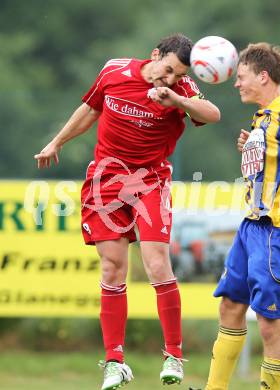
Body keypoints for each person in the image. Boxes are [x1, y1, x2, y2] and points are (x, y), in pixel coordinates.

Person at [34, 33, 221, 390]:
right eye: (166, 70)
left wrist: (178, 99)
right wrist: (56, 142)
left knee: (156, 264)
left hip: (150, 181)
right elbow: (90, 109)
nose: (168, 78)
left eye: (177, 74)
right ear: (154, 55)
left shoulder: (181, 88)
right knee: (112, 268)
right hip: (106, 181)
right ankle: (115, 362)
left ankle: (173, 355)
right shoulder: (115, 71)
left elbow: (212, 114)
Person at [204, 43, 280, 390]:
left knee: (269, 322)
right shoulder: (262, 117)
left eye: (241, 77)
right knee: (230, 306)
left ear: (263, 76)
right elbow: (277, 159)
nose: (236, 84)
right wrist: (251, 148)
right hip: (252, 225)